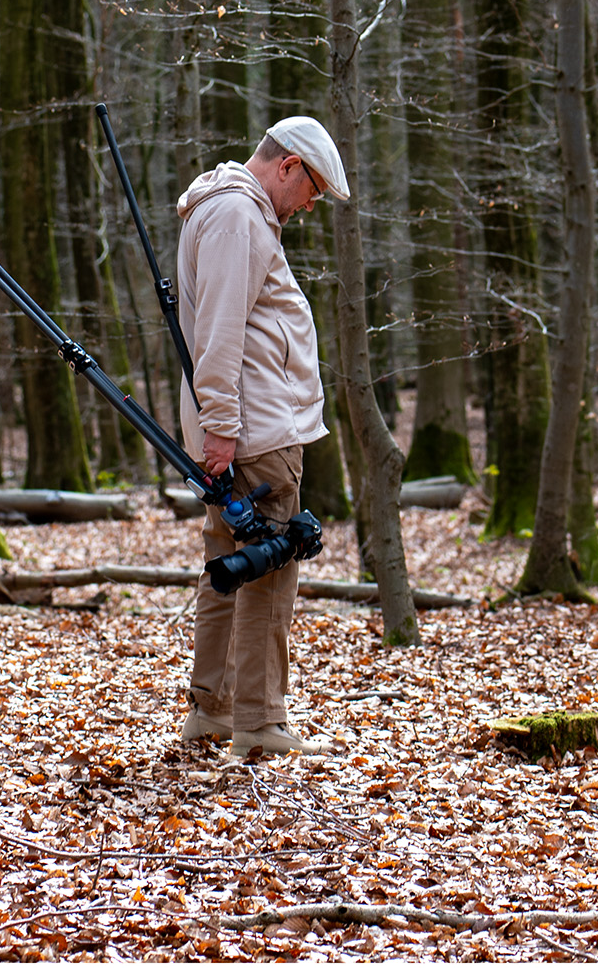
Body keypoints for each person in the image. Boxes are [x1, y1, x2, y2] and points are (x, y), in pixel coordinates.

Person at [176, 116, 350, 755]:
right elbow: (219, 333)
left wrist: (220, 430)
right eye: (312, 189)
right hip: (255, 431)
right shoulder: (238, 217)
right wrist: (222, 430)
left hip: (241, 427)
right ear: (288, 165)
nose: (309, 205)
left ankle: (215, 711)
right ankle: (260, 722)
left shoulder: (228, 211)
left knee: (229, 565)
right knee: (270, 570)